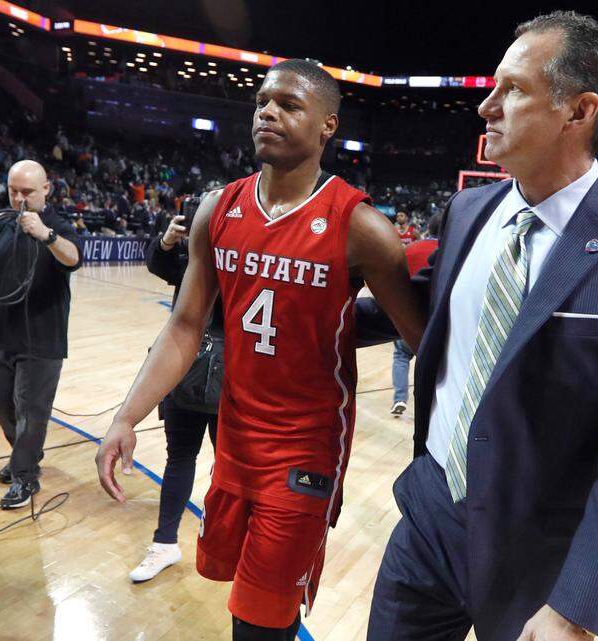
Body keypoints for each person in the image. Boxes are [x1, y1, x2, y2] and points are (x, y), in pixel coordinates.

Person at [365, 12, 598, 641]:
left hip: (543, 558)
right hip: (430, 516)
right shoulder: (469, 209)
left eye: (513, 90)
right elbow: (418, 304)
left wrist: (580, 606)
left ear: (578, 112)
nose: (487, 107)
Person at [96, 59, 425, 641]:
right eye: (262, 102)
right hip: (236, 437)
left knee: (260, 618)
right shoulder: (217, 208)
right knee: (240, 598)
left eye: (290, 104)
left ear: (328, 125)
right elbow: (184, 327)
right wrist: (126, 416)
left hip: (305, 449)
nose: (268, 112)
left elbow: (420, 337)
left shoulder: (359, 226)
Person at [0, 160, 83, 509]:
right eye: (13, 191)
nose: (19, 198)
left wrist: (46, 234)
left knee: (32, 412)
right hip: (1, 336)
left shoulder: (59, 225)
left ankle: (25, 476)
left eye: (26, 191)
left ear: (46, 190)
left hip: (43, 340)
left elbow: (73, 258)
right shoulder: (3, 226)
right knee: (0, 405)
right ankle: (23, 456)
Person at [127, 204, 221, 583]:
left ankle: (224, 539)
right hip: (183, 370)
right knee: (180, 457)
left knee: (229, 465)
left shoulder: (248, 260)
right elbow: (159, 266)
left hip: (229, 377)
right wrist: (167, 242)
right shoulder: (192, 259)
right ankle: (165, 543)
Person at [391, 213, 441, 416]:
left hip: (406, 315)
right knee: (433, 363)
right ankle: (428, 406)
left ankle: (399, 399)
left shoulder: (409, 248)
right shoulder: (452, 251)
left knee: (401, 356)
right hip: (436, 320)